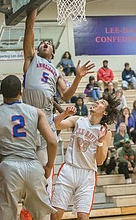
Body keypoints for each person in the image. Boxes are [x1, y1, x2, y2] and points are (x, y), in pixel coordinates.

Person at [22, 10, 95, 167]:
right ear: (37, 48)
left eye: (48, 44)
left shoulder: (56, 71)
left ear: (53, 54)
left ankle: (46, 183)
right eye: (42, 43)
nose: (45, 44)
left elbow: (66, 96)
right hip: (28, 111)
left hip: (46, 115)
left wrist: (77, 78)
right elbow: (29, 28)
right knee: (25, 160)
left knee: (43, 163)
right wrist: (33, 8)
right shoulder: (31, 58)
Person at [0, 75, 57, 220]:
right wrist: (49, 165)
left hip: (8, 169)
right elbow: (52, 141)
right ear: (21, 91)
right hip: (34, 167)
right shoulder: (37, 112)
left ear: (1, 92)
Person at [51, 94, 120, 220]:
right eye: (97, 100)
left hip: (87, 175)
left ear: (105, 112)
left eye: (101, 103)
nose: (96, 102)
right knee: (55, 214)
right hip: (69, 169)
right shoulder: (78, 120)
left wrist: (99, 142)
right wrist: (65, 114)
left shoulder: (105, 132)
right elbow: (55, 125)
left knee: (83, 216)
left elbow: (99, 161)